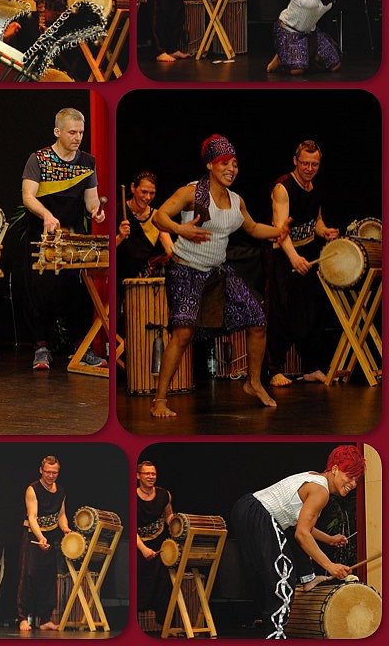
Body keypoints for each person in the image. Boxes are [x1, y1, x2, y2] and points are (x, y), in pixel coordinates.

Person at [149, 135, 290, 418]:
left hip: (217, 272)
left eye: (234, 164)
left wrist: (277, 231)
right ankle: (159, 400)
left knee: (258, 320)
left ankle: (253, 382)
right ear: (210, 166)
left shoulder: (237, 201)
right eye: (224, 163)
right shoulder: (192, 193)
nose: (231, 168)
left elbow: (251, 228)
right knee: (183, 332)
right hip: (186, 270)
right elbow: (159, 216)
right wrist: (182, 230)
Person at [229, 445, 360, 638]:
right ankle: (276, 635)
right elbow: (302, 534)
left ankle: (308, 578)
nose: (353, 483)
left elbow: (303, 524)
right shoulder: (321, 491)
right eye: (350, 475)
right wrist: (330, 566)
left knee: (271, 571)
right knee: (283, 575)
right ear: (334, 469)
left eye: (356, 479)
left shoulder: (316, 479)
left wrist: (330, 539)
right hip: (258, 513)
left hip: (246, 511)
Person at [21, 108, 106, 371]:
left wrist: (96, 212)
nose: (78, 137)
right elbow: (28, 196)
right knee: (40, 292)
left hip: (71, 238)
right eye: (72, 132)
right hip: (41, 236)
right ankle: (41, 348)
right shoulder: (39, 159)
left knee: (76, 294)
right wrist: (47, 215)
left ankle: (81, 348)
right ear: (58, 132)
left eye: (81, 132)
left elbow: (91, 200)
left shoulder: (87, 162)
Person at [267, 141, 338, 386]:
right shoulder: (283, 188)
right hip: (284, 254)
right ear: (295, 161)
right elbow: (279, 229)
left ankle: (311, 367)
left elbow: (315, 221)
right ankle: (274, 369)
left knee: (313, 311)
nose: (309, 168)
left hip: (307, 251)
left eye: (315, 164)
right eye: (305, 163)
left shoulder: (315, 186)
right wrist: (293, 258)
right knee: (282, 311)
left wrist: (325, 231)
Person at [18, 455, 71, 631]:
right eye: (47, 472)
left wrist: (66, 529)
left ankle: (45, 619)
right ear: (41, 470)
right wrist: (40, 537)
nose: (50, 475)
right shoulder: (33, 489)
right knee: (29, 576)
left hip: (51, 536)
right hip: (33, 536)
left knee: (49, 578)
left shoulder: (61, 490)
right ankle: (23, 617)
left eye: (54, 472)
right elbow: (32, 516)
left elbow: (61, 515)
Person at [116, 171, 175, 284]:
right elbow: (105, 250)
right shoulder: (117, 211)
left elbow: (170, 251)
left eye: (152, 193)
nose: (147, 197)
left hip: (141, 281)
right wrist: (120, 236)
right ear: (133, 188)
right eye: (143, 192)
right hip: (118, 277)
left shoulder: (156, 216)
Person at [135, 461, 174, 629]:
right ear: (138, 476)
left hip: (160, 543)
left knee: (165, 582)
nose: (151, 477)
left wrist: (177, 522)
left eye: (153, 474)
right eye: (147, 474)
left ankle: (166, 625)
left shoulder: (164, 495)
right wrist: (143, 549)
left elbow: (169, 515)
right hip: (138, 544)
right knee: (138, 581)